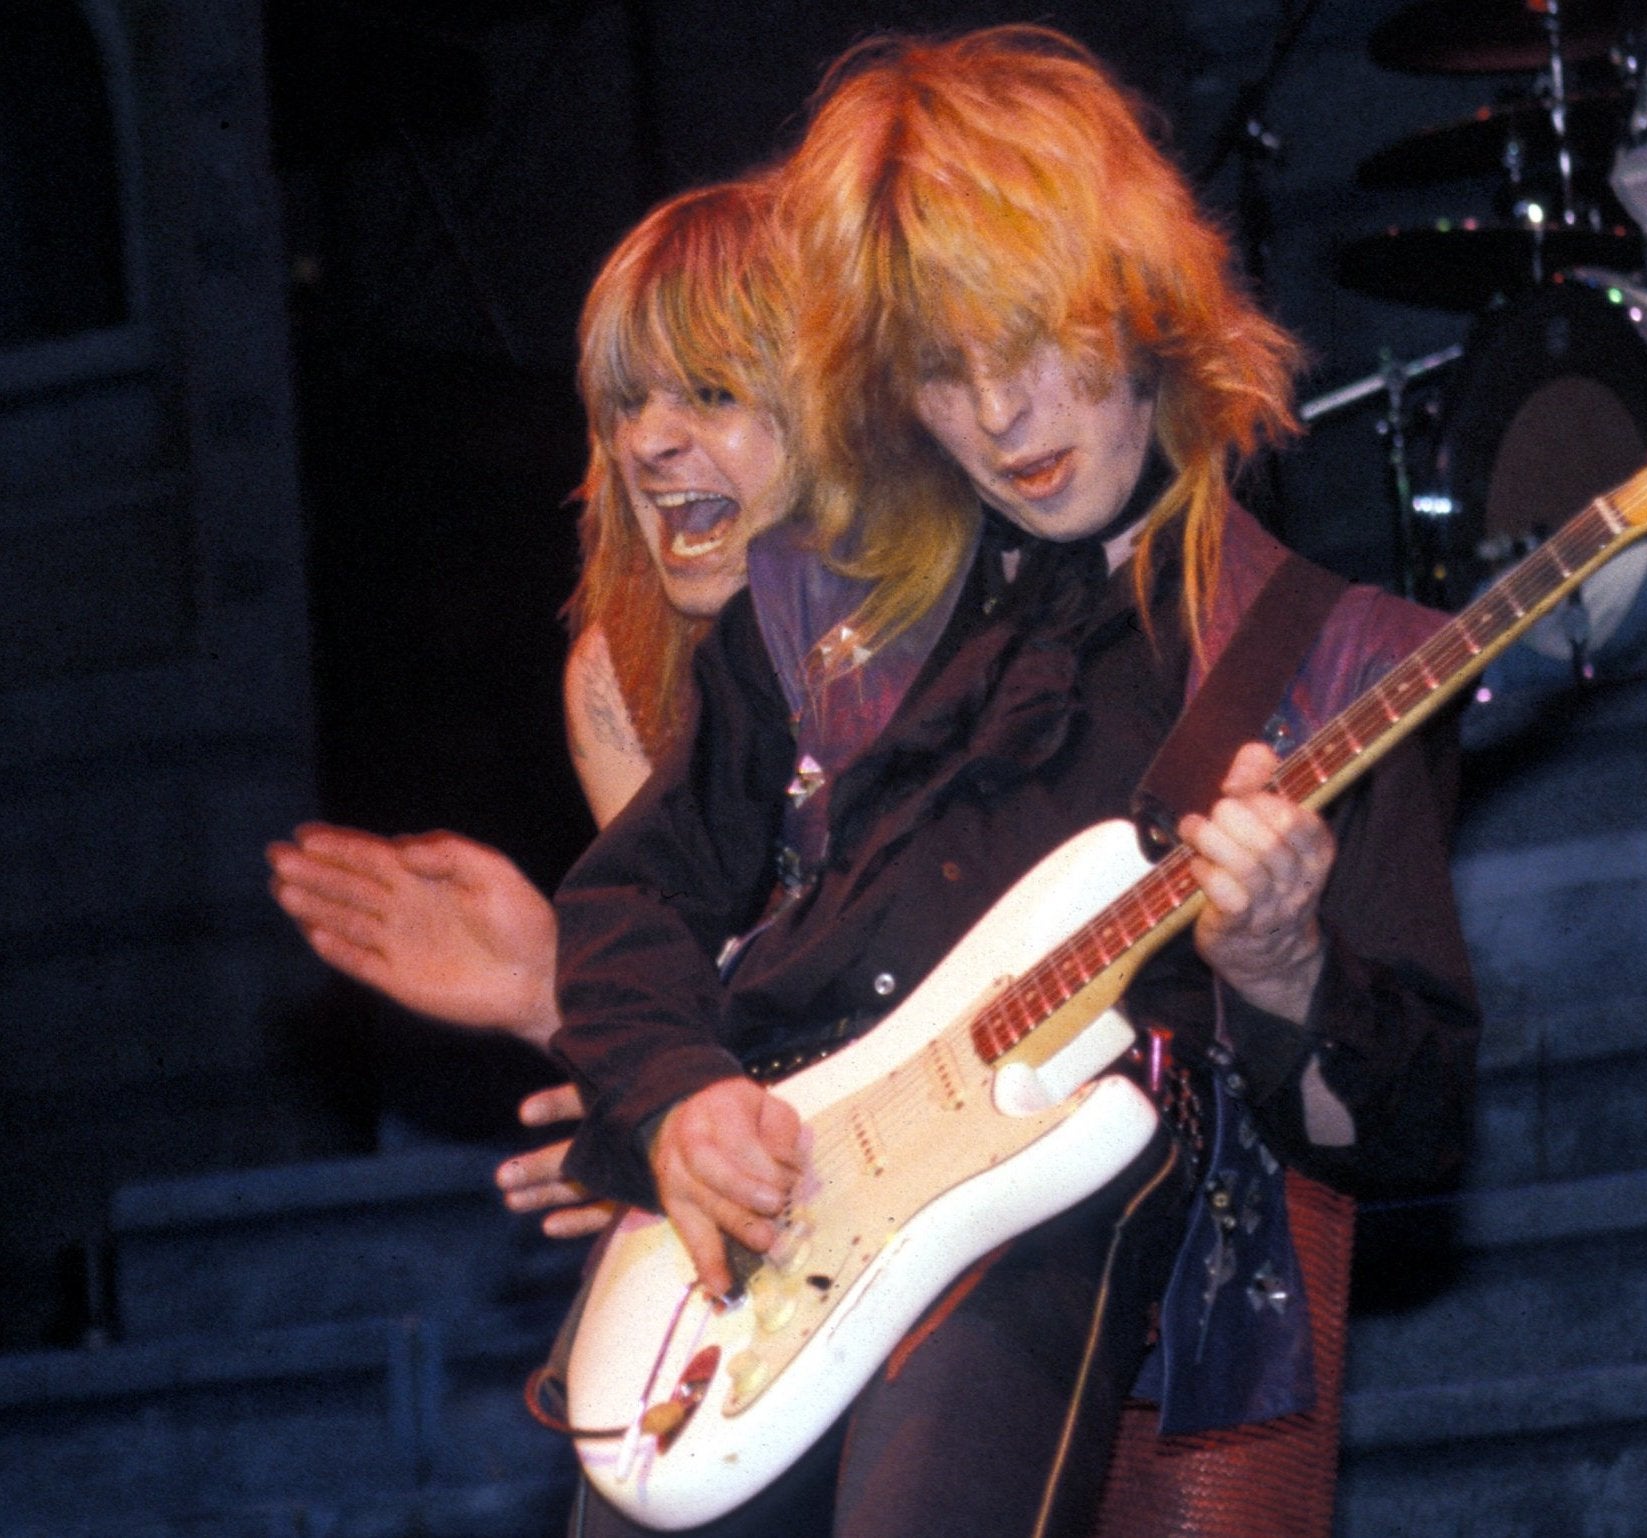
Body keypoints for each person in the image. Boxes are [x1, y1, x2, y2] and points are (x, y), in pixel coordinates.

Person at [550, 26, 1480, 1538]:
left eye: (1035, 341)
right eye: (942, 367)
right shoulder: (813, 610)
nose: (1000, 417)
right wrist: (678, 1100)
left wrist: (1284, 964)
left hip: (1049, 1243)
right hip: (773, 1239)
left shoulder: (1333, 659)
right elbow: (629, 902)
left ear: (1146, 309)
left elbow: (1418, 1121)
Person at [265, 175, 796, 1238]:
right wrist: (554, 991)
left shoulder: (940, 629)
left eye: (710, 391)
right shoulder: (619, 676)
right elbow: (722, 1011)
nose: (651, 441)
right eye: (626, 405)